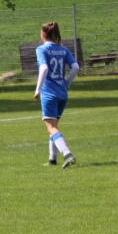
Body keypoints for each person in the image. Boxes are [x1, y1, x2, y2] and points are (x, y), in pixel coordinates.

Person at [34, 22, 79, 168]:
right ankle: (52, 159)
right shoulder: (63, 49)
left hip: (49, 94)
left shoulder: (41, 49)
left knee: (51, 128)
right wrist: (67, 83)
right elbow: (75, 67)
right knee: (54, 126)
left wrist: (38, 89)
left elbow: (44, 68)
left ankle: (67, 154)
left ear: (43, 34)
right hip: (62, 93)